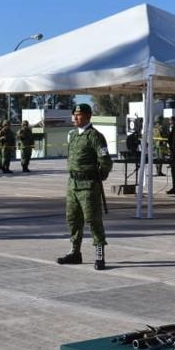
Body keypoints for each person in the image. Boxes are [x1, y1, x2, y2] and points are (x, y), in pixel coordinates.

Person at [57, 103, 113, 270]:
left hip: (88, 185)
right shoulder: (73, 135)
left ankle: (99, 255)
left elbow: (106, 161)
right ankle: (75, 252)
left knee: (93, 220)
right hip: (72, 184)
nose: (75, 117)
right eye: (74, 114)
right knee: (73, 219)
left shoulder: (95, 136)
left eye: (79, 114)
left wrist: (99, 176)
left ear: (88, 116)